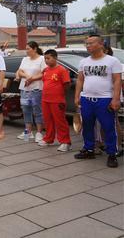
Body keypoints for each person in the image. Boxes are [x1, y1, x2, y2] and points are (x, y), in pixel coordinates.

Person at [74, 35, 122, 168]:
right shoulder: (84, 62)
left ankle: (112, 154)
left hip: (105, 99)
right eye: (86, 43)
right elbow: (80, 80)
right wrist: (77, 96)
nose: (87, 45)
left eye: (91, 43)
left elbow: (117, 80)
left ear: (101, 44)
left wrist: (116, 99)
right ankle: (89, 149)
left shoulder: (112, 61)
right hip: (87, 99)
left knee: (108, 127)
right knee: (87, 126)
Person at [37, 50, 71, 151]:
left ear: (55, 58)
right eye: (45, 59)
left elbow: (67, 85)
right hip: (45, 99)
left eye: (48, 58)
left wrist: (60, 95)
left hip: (57, 100)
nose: (46, 60)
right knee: (47, 120)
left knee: (60, 121)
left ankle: (65, 142)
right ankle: (48, 138)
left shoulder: (62, 70)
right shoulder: (45, 70)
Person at [15, 41, 46, 143]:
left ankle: (39, 132)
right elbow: (19, 71)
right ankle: (28, 132)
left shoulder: (42, 59)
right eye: (26, 49)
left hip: (36, 88)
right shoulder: (25, 59)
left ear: (35, 49)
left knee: (37, 110)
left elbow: (44, 73)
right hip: (24, 88)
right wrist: (27, 77)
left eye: (28, 49)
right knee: (26, 109)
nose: (26, 51)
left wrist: (32, 79)